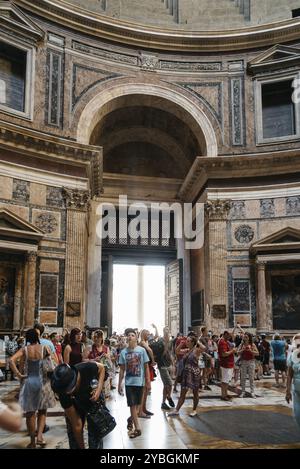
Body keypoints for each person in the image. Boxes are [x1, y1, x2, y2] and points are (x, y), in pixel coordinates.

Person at [9, 328, 56, 448]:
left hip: (30, 381)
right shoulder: (45, 348)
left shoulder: (24, 349)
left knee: (30, 413)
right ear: (37, 337)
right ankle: (40, 436)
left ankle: (33, 442)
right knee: (42, 410)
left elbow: (11, 360)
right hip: (43, 383)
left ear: (28, 338)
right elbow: (51, 365)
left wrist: (19, 375)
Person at [51, 361, 105, 449]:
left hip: (92, 399)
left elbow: (102, 368)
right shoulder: (63, 392)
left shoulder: (87, 368)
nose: (68, 393)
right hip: (75, 403)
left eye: (69, 390)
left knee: (95, 433)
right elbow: (77, 424)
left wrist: (98, 389)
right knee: (73, 435)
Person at [118, 328, 151, 439]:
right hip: (129, 383)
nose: (130, 336)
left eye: (132, 335)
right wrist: (119, 384)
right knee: (132, 406)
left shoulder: (141, 351)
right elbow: (122, 369)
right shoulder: (123, 352)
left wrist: (148, 381)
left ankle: (131, 419)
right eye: (128, 335)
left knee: (137, 408)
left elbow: (146, 366)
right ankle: (138, 429)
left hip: (140, 383)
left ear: (136, 338)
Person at [168, 335, 206, 417]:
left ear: (193, 342)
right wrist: (181, 344)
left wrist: (197, 341)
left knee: (195, 393)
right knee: (183, 393)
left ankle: (194, 410)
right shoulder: (187, 350)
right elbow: (177, 351)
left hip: (194, 373)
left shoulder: (196, 350)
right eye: (186, 340)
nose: (186, 342)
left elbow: (204, 348)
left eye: (188, 341)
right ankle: (176, 410)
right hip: (186, 373)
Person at [149, 324, 175, 410]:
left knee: (166, 385)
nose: (167, 331)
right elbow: (162, 353)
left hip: (168, 364)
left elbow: (170, 353)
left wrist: (173, 363)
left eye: (168, 329)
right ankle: (169, 397)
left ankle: (163, 402)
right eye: (165, 330)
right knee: (170, 384)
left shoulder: (170, 341)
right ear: (163, 331)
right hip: (162, 365)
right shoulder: (160, 341)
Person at [139, 329, 156, 418]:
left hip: (146, 365)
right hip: (144, 366)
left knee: (146, 390)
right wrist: (153, 361)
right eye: (147, 334)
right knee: (144, 389)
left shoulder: (145, 341)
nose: (149, 335)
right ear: (144, 334)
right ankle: (140, 411)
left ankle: (144, 409)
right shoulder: (142, 342)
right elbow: (149, 350)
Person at [238, 332, 259, 398]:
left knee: (251, 377)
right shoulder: (241, 344)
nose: (245, 338)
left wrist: (251, 350)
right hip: (243, 361)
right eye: (244, 336)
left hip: (251, 361)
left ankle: (252, 392)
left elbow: (257, 353)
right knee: (243, 377)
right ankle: (243, 391)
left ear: (249, 338)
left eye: (246, 337)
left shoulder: (252, 344)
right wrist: (243, 350)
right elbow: (237, 352)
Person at [218, 330, 237, 401]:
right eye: (229, 335)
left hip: (228, 363)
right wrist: (233, 351)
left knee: (226, 380)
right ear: (225, 334)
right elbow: (224, 354)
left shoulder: (225, 341)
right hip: (226, 364)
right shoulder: (222, 342)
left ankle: (225, 393)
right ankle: (223, 395)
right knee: (225, 381)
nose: (230, 337)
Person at [286, 334, 300, 429]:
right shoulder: (293, 356)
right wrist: (287, 391)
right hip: (297, 391)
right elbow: (289, 375)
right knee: (298, 415)